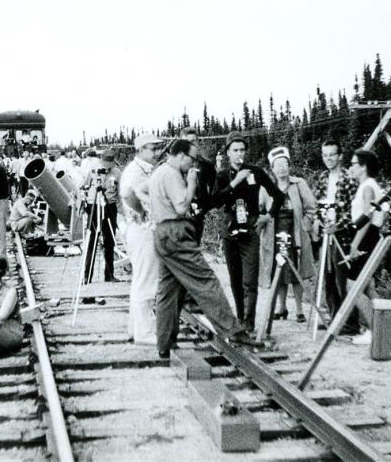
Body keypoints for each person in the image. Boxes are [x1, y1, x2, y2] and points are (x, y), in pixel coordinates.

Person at [143, 139, 260, 358]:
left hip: (162, 232)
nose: (194, 164)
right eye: (193, 158)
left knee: (169, 289)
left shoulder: (158, 172)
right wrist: (192, 184)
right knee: (205, 280)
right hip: (177, 233)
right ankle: (233, 330)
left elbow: (140, 191)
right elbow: (181, 206)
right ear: (180, 155)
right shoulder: (171, 173)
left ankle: (164, 343)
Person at [212, 132, 284, 332]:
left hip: (250, 228)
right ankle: (240, 318)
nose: (239, 154)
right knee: (235, 279)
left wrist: (267, 216)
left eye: (242, 150)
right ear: (228, 153)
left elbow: (278, 196)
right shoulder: (222, 175)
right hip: (230, 228)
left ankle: (249, 323)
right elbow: (217, 201)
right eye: (235, 150)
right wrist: (234, 183)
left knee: (249, 280)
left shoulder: (256, 172)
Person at [258, 146, 317, 323]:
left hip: (295, 234)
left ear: (289, 166)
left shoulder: (299, 184)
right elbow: (259, 208)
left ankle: (299, 309)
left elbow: (311, 207)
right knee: (279, 270)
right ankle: (281, 307)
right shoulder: (266, 187)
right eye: (278, 165)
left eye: (285, 164)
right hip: (274, 235)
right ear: (272, 168)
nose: (282, 168)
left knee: (296, 271)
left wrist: (305, 224)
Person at [119, 134, 164, 345]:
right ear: (141, 150)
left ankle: (134, 328)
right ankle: (145, 333)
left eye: (158, 148)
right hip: (141, 230)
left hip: (142, 230)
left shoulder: (145, 169)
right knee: (146, 281)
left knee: (140, 280)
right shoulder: (136, 170)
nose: (157, 152)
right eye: (153, 149)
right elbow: (127, 193)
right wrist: (142, 212)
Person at [311, 140, 360, 334]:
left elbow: (354, 211)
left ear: (340, 156)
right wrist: (317, 220)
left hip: (343, 237)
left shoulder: (349, 178)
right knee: (328, 279)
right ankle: (334, 318)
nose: (328, 159)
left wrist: (338, 226)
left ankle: (351, 322)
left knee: (343, 281)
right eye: (325, 155)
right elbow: (317, 204)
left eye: (332, 155)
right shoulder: (323, 178)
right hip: (326, 236)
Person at [344, 149, 384, 345]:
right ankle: (379, 328)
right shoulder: (368, 185)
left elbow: (367, 216)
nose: (350, 167)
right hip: (369, 235)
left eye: (353, 164)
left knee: (353, 285)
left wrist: (355, 243)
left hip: (366, 236)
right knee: (367, 286)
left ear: (363, 166)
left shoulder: (368, 186)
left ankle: (377, 330)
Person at [81, 150, 121, 283]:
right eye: (105, 165)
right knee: (92, 241)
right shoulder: (93, 170)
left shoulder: (117, 173)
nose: (107, 168)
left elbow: (120, 194)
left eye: (109, 165)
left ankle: (109, 275)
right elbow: (85, 186)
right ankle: (87, 277)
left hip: (110, 206)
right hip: (95, 206)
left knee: (109, 241)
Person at [180, 127, 217, 244]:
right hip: (177, 217)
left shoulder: (206, 165)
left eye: (193, 141)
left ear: (198, 142)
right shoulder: (173, 166)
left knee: (194, 250)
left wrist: (204, 208)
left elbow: (214, 190)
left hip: (197, 217)